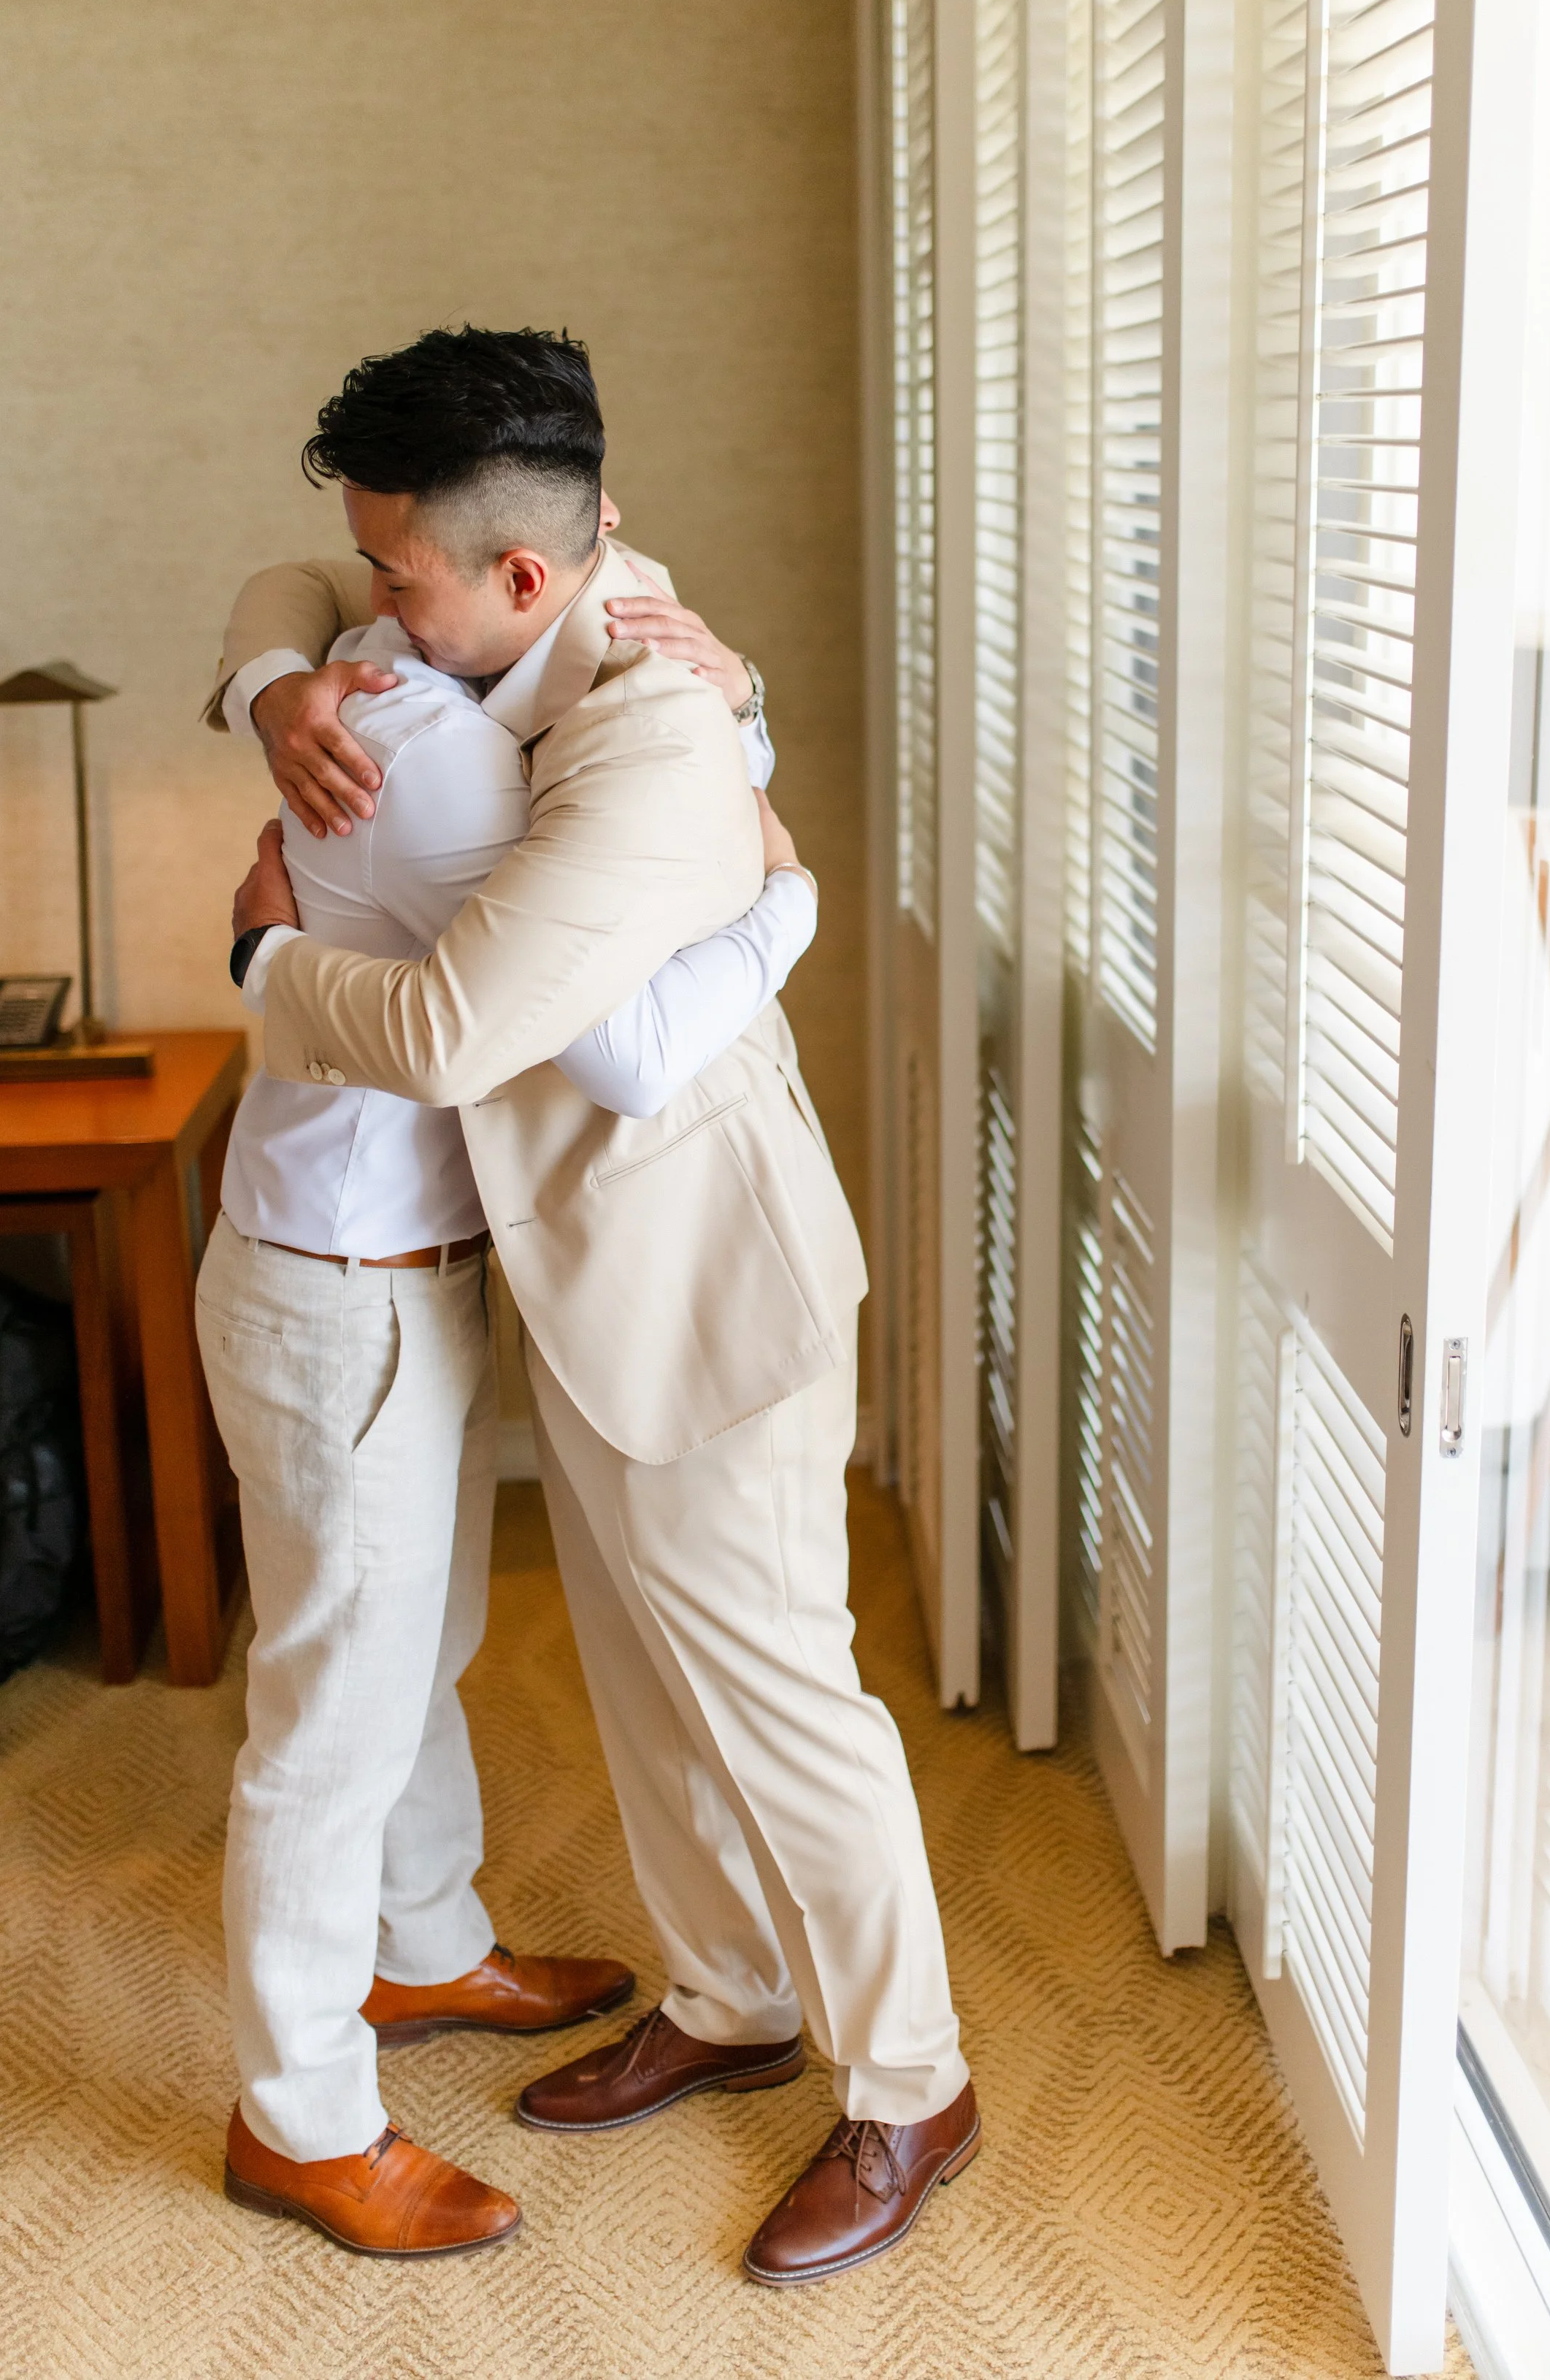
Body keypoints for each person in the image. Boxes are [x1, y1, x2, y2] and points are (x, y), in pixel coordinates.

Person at [214, 326, 976, 2285]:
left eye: (402, 576)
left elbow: (483, 1030)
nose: (375, 603)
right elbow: (292, 583)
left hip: (702, 1289)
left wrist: (267, 948)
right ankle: (727, 1998)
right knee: (646, 1684)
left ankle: (910, 2080)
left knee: (784, 1697)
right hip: (577, 1279)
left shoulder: (649, 730)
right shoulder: (520, 614)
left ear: (525, 580)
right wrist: (279, 668)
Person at [202, 583, 816, 2260]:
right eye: (378, 576)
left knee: (426, 1643)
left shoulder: (499, 640)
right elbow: (621, 1041)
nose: (376, 601)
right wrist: (788, 895)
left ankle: (421, 1943)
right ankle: (302, 2121)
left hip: (418, 1265)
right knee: (330, 1713)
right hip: (345, 1280)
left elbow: (285, 599)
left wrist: (264, 674)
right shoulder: (440, 753)